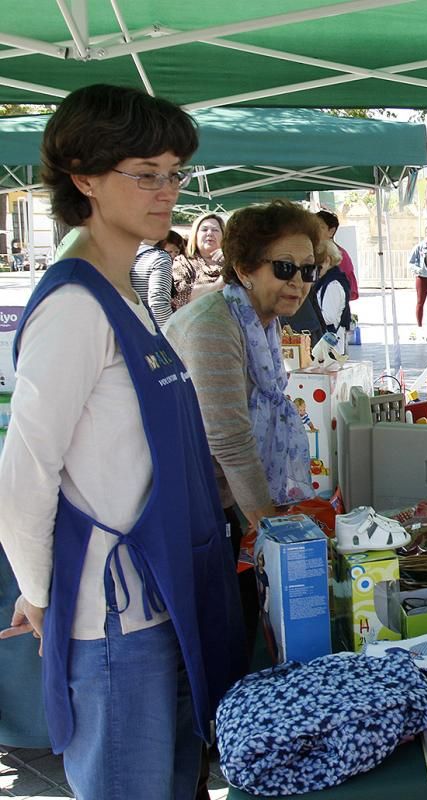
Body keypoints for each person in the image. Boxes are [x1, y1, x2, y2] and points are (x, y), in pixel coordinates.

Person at [0, 83, 244, 799]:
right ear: (82, 176)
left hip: (162, 598)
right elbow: (25, 469)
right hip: (110, 621)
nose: (168, 191)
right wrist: (42, 593)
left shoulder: (127, 292)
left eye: (175, 173)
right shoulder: (75, 305)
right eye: (147, 174)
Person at [165, 200, 319, 677]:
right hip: (183, 504)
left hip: (215, 500)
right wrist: (271, 530)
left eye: (308, 269)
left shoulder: (261, 323)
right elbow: (229, 439)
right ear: (243, 269)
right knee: (214, 640)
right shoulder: (215, 323)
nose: (299, 281)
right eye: (285, 267)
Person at [130, 230, 183, 327]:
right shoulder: (159, 257)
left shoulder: (124, 252)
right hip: (149, 328)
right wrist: (170, 334)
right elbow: (158, 303)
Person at [172, 212, 224, 308]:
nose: (210, 233)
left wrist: (231, 263)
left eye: (215, 230)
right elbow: (180, 296)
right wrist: (219, 284)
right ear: (195, 235)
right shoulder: (183, 262)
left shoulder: (235, 262)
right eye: (204, 229)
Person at [313, 239, 351, 356]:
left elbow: (329, 317)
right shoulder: (326, 281)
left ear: (327, 260)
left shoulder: (333, 284)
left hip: (330, 347)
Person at [315, 209, 358, 302]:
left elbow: (350, 290)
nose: (314, 231)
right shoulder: (310, 251)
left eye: (320, 227)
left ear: (331, 231)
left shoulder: (341, 255)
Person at [410, 239, 427, 329]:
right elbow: (411, 262)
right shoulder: (419, 247)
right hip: (422, 278)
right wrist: (418, 270)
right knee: (420, 301)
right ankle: (419, 324)